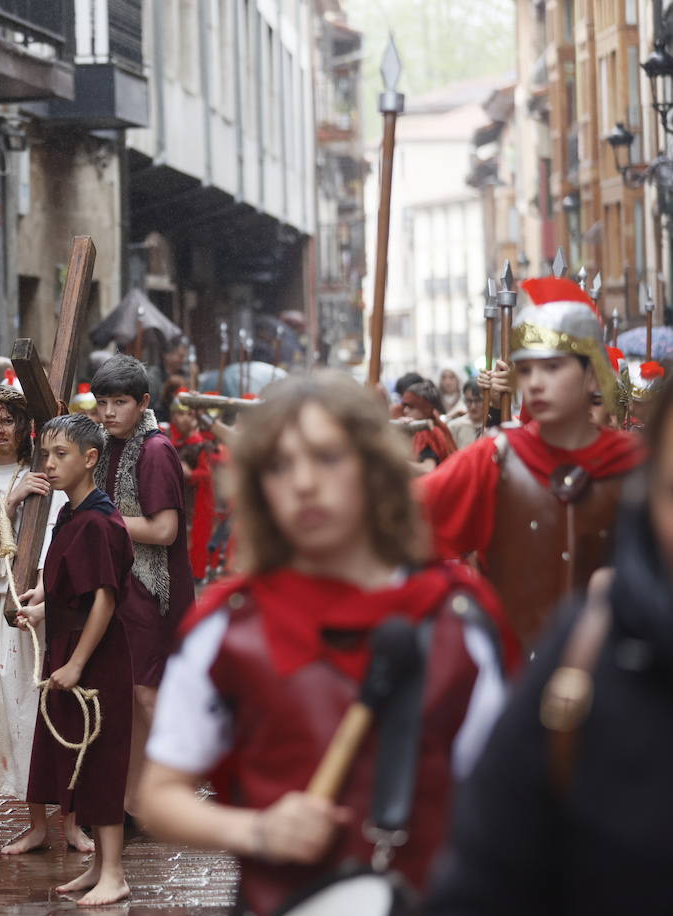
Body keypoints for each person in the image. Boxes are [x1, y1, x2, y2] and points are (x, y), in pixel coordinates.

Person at [138, 371, 511, 916]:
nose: (304, 483)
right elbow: (158, 796)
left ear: (374, 472)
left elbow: (511, 800)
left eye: (328, 458)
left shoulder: (460, 619)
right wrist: (258, 830)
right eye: (280, 466)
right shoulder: (229, 628)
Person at [425, 386, 673, 915]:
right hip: (528, 663)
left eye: (554, 369)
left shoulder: (623, 460)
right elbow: (485, 875)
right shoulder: (583, 655)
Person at [419, 277, 644, 646]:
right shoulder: (493, 457)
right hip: (517, 671)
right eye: (526, 370)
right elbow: (401, 524)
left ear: (592, 375)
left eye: (552, 367)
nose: (535, 383)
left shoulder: (639, 464)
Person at [0, 386, 90, 854]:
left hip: (58, 605)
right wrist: (9, 505)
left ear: (22, 422)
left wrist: (53, 588)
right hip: (8, 609)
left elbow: (71, 532)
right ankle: (36, 823)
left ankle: (72, 821)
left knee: (65, 707)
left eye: (6, 420)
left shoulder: (50, 469)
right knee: (20, 712)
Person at [17, 412, 135, 906]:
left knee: (101, 759)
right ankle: (97, 865)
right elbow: (71, 587)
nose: (50, 463)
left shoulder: (98, 521)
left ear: (90, 458)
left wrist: (78, 665)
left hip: (96, 656)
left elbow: (105, 599)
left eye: (61, 454)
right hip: (69, 646)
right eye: (46, 454)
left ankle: (116, 873)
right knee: (77, 762)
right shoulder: (70, 513)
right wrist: (40, 607)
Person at [90, 354, 195, 809]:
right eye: (102, 402)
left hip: (154, 588)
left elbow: (163, 530)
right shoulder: (107, 443)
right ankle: (133, 799)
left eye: (120, 402)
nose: (109, 412)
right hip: (119, 583)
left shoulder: (155, 449)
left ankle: (170, 793)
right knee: (130, 697)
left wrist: (99, 519)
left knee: (148, 695)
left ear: (144, 402)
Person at [168, 392, 219, 581]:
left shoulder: (201, 445)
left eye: (187, 414)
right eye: (178, 414)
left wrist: (191, 473)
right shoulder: (173, 441)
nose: (181, 419)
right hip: (179, 498)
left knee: (195, 539)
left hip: (197, 501)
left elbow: (208, 474)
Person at [401, 379, 457, 473]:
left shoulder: (427, 432)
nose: (405, 411)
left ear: (424, 409)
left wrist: (396, 462)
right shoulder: (435, 425)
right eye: (405, 406)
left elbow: (428, 468)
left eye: (411, 407)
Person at [446, 379, 486, 449]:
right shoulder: (454, 426)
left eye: (478, 400)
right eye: (469, 401)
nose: (473, 406)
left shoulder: (493, 426)